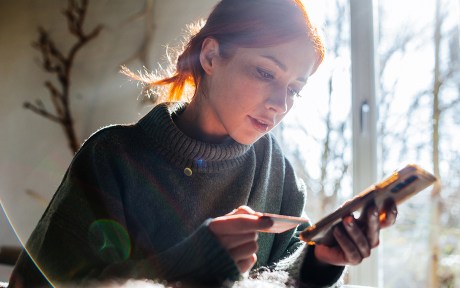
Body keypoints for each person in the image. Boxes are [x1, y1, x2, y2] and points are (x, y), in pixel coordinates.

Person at [9, 0, 397, 287]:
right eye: (266, 72)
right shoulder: (113, 158)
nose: (281, 104)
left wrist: (319, 261)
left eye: (295, 89)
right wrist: (192, 264)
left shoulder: (277, 170)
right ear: (211, 55)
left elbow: (281, 276)